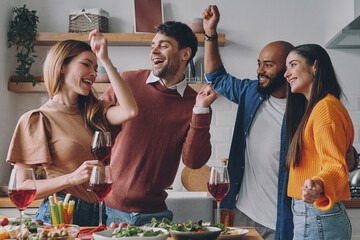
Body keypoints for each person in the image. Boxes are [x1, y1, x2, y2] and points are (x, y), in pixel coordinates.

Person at [202, 5, 357, 240]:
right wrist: (210, 34)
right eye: (259, 63)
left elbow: (334, 155)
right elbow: (216, 77)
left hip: (286, 218)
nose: (259, 70)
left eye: (268, 65)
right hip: (245, 213)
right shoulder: (250, 93)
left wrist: (347, 157)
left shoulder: (312, 107)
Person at [6, 30, 138, 226]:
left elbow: (130, 111)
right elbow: (22, 186)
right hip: (60, 214)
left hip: (100, 213)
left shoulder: (96, 111)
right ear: (62, 67)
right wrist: (72, 178)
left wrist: (106, 59)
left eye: (95, 67)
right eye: (86, 64)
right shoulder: (37, 119)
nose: (93, 73)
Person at [100, 21, 218, 226]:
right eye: (153, 45)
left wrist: (200, 109)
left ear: (185, 54)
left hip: (155, 217)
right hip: (110, 212)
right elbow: (93, 123)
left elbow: (194, 161)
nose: (154, 50)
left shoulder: (194, 102)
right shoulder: (127, 82)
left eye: (163, 45)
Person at [284, 44, 353, 240]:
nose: (286, 74)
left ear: (315, 66)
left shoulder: (325, 109)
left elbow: (336, 165)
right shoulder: (318, 107)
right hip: (315, 215)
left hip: (317, 215)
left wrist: (319, 183)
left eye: (293, 65)